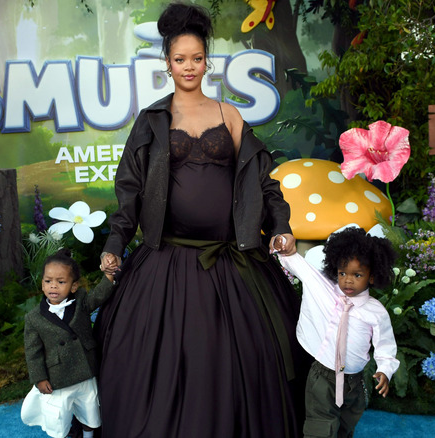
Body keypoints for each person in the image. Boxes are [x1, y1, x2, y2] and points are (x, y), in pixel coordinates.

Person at [95, 2, 305, 437]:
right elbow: (130, 190)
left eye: (196, 58)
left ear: (207, 61)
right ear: (166, 64)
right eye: (179, 59)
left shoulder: (229, 115)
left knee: (243, 355)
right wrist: (115, 244)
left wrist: (281, 226)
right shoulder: (153, 121)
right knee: (164, 357)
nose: (188, 67)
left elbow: (264, 182)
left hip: (233, 259)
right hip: (166, 260)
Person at [274, 227, 400, 438]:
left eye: (357, 275)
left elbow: (385, 345)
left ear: (371, 276)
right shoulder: (323, 289)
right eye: (343, 273)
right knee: (321, 427)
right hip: (323, 376)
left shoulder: (376, 312)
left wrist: (385, 370)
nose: (348, 280)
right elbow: (300, 267)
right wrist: (284, 249)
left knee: (346, 426)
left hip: (355, 381)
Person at [21, 249, 115, 438]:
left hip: (85, 371)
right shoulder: (33, 318)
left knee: (90, 411)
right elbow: (33, 351)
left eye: (61, 282)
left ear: (73, 286)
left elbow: (97, 296)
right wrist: (39, 377)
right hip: (58, 377)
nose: (53, 286)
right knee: (59, 417)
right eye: (48, 281)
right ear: (42, 284)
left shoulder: (80, 302)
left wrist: (109, 277)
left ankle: (88, 435)